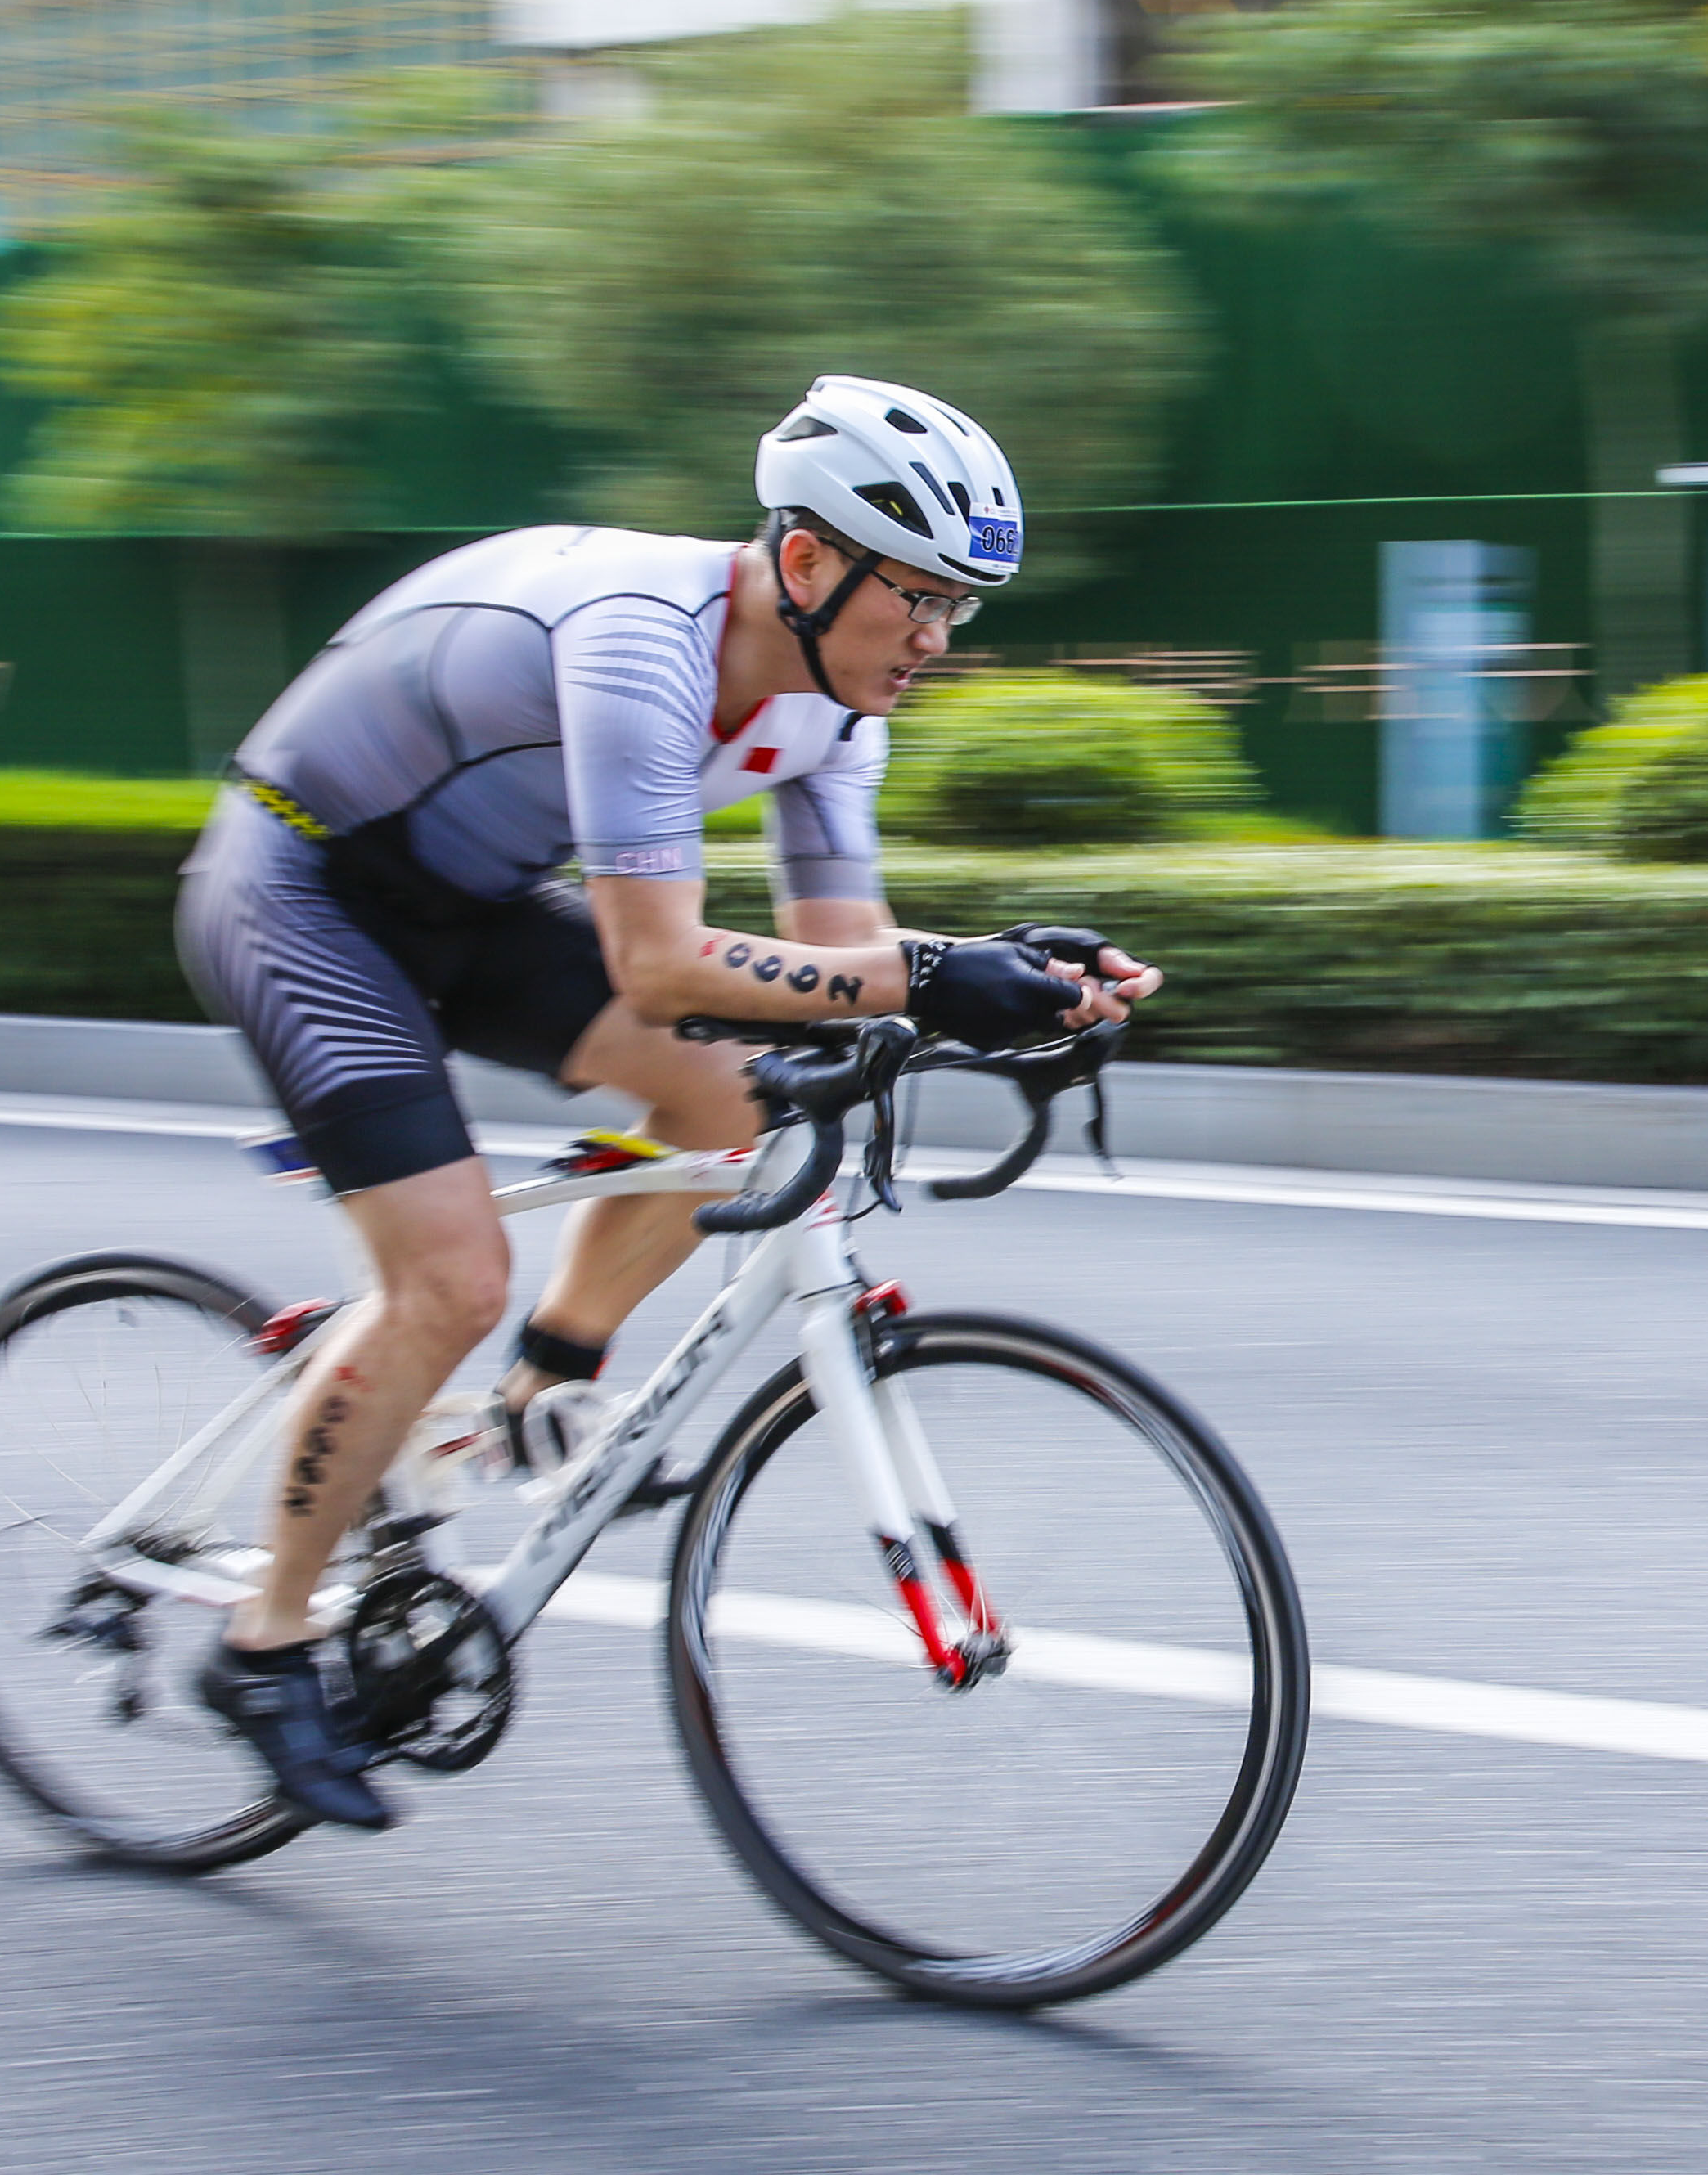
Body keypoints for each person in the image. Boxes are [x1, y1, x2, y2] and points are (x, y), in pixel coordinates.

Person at [176, 375, 1160, 1828]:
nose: (940, 643)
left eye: (964, 608)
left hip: (475, 901)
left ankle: (546, 1381)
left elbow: (839, 969)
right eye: (924, 601)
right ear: (811, 563)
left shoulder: (835, 707)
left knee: (740, 1110)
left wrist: (1017, 980)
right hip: (304, 891)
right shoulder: (644, 638)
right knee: (446, 1280)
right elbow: (659, 964)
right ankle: (263, 1647)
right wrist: (941, 975)